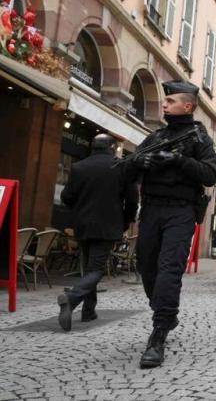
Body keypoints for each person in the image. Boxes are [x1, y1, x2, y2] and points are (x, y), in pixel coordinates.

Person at [126, 80, 216, 369]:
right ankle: (165, 312)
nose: (164, 104)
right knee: (147, 267)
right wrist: (143, 163)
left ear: (187, 106)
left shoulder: (200, 138)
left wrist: (178, 161)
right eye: (164, 101)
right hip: (151, 209)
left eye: (170, 101)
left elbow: (210, 174)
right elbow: (128, 166)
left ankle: (158, 334)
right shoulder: (157, 136)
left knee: (169, 269)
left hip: (180, 211)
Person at [57, 134, 138, 332]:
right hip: (108, 225)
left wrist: (79, 209)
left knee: (88, 266)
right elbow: (132, 200)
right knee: (96, 269)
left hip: (83, 224)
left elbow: (66, 197)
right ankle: (72, 298)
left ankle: (88, 311)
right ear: (112, 147)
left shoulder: (78, 167)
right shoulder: (121, 167)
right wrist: (126, 221)